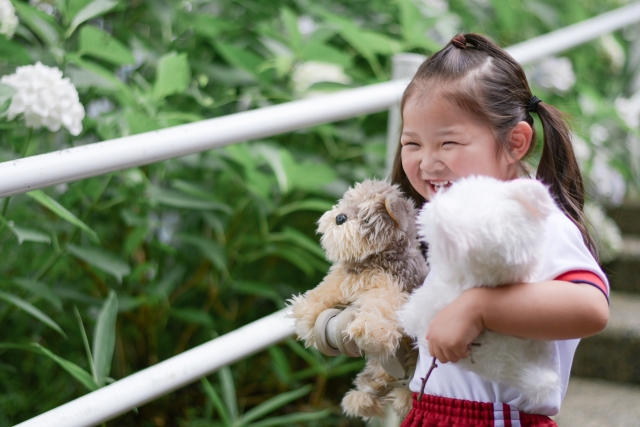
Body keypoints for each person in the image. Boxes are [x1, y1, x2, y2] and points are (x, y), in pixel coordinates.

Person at [390, 33, 610, 427]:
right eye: (412, 143)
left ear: (516, 142)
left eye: (448, 142)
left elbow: (590, 307)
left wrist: (479, 308)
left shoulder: (535, 222)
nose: (426, 162)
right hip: (430, 415)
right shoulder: (452, 225)